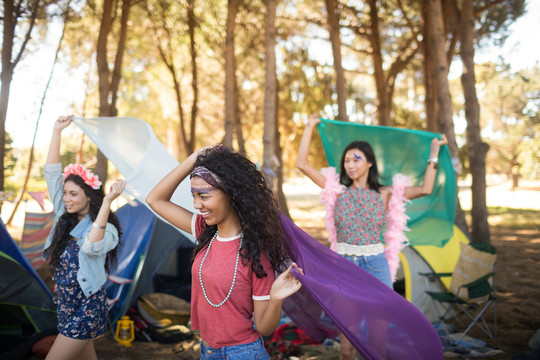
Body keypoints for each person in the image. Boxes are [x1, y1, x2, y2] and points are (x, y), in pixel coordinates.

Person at [296, 114, 448, 360]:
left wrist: (433, 152)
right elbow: (302, 165)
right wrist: (309, 126)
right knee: (346, 349)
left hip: (376, 267)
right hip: (343, 267)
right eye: (346, 160)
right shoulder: (337, 191)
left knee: (378, 345)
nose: (350, 165)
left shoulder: (385, 193)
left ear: (369, 163)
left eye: (356, 159)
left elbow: (426, 188)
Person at [146, 145, 303, 360]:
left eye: (204, 196)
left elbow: (265, 328)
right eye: (193, 195)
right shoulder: (205, 231)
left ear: (232, 194)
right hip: (207, 350)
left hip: (243, 353)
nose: (196, 204)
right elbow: (155, 199)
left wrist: (275, 299)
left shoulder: (256, 252)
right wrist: (194, 159)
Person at [44, 115, 126, 360]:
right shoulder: (63, 214)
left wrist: (109, 201)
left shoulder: (106, 230)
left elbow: (91, 246)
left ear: (89, 196)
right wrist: (56, 131)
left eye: (73, 194)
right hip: (65, 302)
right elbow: (51, 173)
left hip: (88, 304)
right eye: (65, 193)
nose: (66, 198)